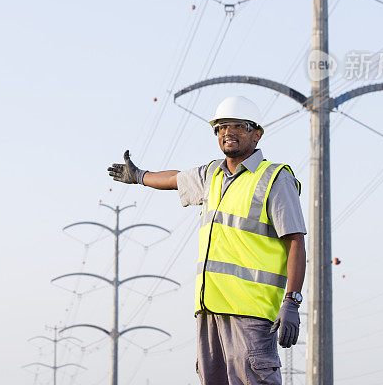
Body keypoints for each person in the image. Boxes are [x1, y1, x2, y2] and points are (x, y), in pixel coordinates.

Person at [108, 95, 306, 385]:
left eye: (239, 126)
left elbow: (296, 242)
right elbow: (176, 179)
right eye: (222, 127)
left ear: (257, 134)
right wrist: (139, 176)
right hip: (210, 312)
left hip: (249, 316)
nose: (228, 132)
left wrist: (293, 300)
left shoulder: (274, 179)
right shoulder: (212, 174)